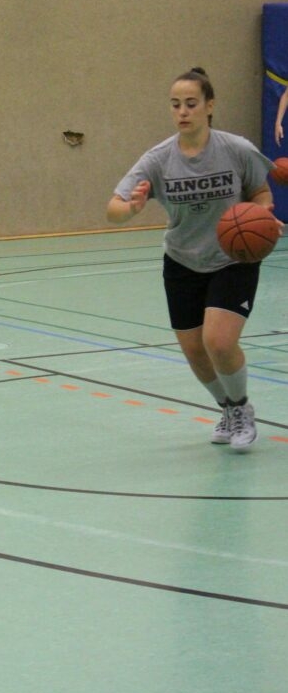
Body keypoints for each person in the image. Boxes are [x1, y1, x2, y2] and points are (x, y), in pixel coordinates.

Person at [107, 67, 279, 450]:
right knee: (195, 352)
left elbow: (261, 193)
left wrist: (262, 214)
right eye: (175, 105)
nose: (182, 112)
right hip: (182, 260)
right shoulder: (158, 159)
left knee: (218, 341)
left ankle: (241, 408)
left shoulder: (236, 149)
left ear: (209, 105)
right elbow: (112, 209)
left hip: (233, 257)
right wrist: (131, 207)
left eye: (190, 103)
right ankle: (227, 408)